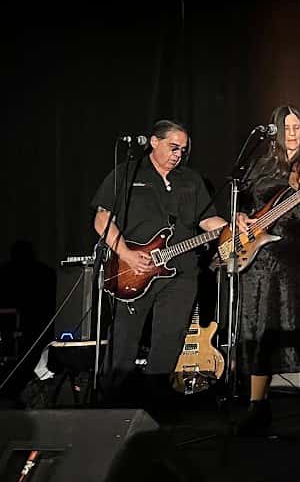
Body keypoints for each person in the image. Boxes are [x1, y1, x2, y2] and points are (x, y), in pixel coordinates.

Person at [92, 120, 227, 404]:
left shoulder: (191, 180)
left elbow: (207, 220)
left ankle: (157, 405)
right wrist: (127, 254)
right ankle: (112, 404)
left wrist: (233, 226)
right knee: (124, 339)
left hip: (182, 271)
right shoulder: (128, 173)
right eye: (173, 147)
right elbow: (102, 219)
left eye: (183, 149)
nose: (178, 154)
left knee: (170, 338)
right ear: (154, 142)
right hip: (133, 270)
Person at [233, 105, 300, 435]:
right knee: (260, 331)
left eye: (297, 127)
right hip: (261, 263)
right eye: (287, 127)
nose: (293, 133)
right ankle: (257, 407)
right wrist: (239, 218)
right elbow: (244, 203)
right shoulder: (260, 164)